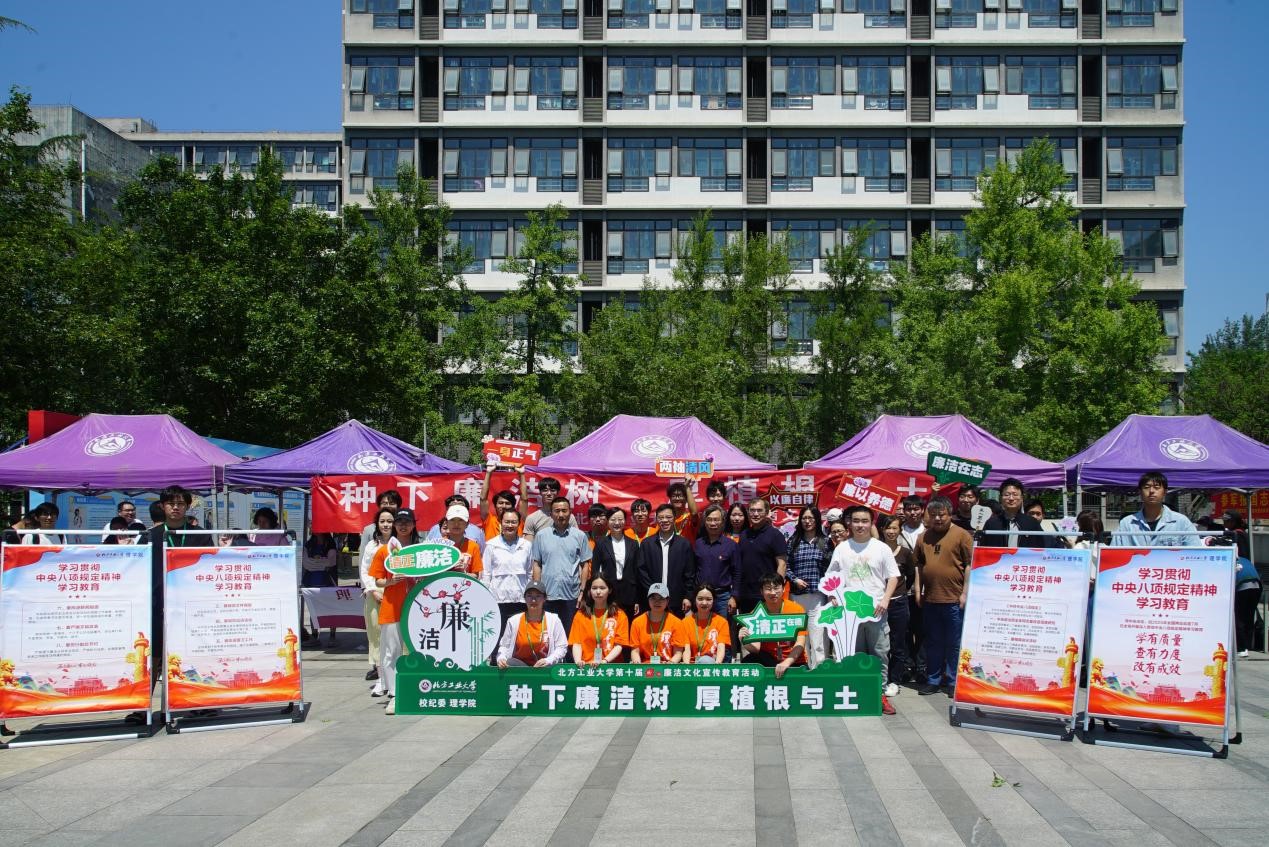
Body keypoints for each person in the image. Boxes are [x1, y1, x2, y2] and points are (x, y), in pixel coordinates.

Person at [824, 506, 899, 714]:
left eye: (864, 521)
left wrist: (885, 600)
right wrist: (832, 596)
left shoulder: (881, 548)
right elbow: (831, 576)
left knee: (879, 653)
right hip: (850, 613)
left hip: (876, 611)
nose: (860, 525)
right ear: (849, 523)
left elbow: (893, 576)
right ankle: (856, 693)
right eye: (856, 521)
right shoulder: (842, 548)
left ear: (871, 523)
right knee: (853, 655)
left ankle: (879, 694)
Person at [913, 496, 973, 696]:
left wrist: (965, 593)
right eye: (933, 515)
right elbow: (919, 565)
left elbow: (969, 565)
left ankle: (953, 681)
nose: (938, 518)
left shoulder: (962, 535)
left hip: (954, 599)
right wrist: (918, 590)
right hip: (931, 598)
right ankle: (933, 679)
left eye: (942, 515)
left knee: (954, 642)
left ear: (950, 514)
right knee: (933, 641)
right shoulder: (923, 537)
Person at [367, 508, 421, 714]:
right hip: (392, 606)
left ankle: (420, 689)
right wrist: (391, 581)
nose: (403, 526)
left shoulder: (421, 551)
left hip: (420, 607)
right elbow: (377, 580)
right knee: (391, 651)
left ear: (414, 525)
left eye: (407, 522)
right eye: (399, 522)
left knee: (419, 650)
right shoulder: (384, 551)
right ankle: (393, 693)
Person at [530, 496, 592, 634]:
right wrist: (538, 590)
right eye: (557, 511)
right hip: (547, 594)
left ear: (570, 512)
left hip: (572, 595)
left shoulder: (580, 536)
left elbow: (585, 565)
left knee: (570, 633)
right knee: (548, 633)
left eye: (564, 510)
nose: (561, 514)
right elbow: (537, 564)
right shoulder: (541, 536)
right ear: (551, 514)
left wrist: (582, 591)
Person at [737, 572, 805, 679]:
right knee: (748, 661)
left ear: (783, 589)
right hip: (769, 659)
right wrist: (744, 640)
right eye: (768, 589)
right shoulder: (756, 613)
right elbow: (756, 649)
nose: (773, 592)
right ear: (761, 591)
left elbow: (800, 643)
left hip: (794, 660)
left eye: (776, 588)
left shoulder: (796, 610)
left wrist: (786, 663)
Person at [733, 498, 788, 627]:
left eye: (759, 510)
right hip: (746, 595)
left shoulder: (775, 535)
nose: (755, 514)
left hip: (767, 594)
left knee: (768, 631)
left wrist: (775, 590)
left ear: (767, 512)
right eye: (752, 510)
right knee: (748, 632)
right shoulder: (744, 535)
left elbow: (782, 564)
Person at [1111, 472, 1201, 547]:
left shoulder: (1181, 522)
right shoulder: (1126, 524)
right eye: (1146, 487)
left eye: (1157, 487)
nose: (1151, 491)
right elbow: (1114, 554)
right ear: (1140, 492)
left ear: (1165, 492)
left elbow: (1195, 553)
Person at [877, 514, 915, 687]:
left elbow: (911, 576)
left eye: (895, 528)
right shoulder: (875, 550)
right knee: (880, 644)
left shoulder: (905, 553)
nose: (891, 531)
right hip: (878, 603)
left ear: (900, 530)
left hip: (899, 603)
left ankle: (895, 680)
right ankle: (880, 678)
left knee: (898, 642)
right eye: (888, 528)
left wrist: (901, 591)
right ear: (882, 529)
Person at [785, 506, 831, 649]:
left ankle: (820, 663)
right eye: (804, 518)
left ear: (817, 520)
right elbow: (785, 565)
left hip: (818, 596)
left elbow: (831, 568)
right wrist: (794, 579)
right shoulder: (793, 541)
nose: (807, 521)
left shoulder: (825, 542)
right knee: (800, 637)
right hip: (797, 596)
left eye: (811, 518)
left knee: (818, 636)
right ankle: (802, 662)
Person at [484, 508, 534, 639]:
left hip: (520, 599)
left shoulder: (526, 545)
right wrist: (486, 597)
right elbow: (486, 574)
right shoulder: (491, 545)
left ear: (519, 524)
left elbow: (530, 573)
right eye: (507, 522)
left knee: (518, 636)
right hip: (497, 599)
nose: (510, 525)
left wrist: (529, 595)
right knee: (498, 636)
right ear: (501, 523)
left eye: (513, 522)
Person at [638, 503, 696, 615]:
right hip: (652, 600)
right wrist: (654, 592)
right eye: (661, 517)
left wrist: (688, 596)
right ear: (656, 520)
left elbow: (690, 573)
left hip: (677, 601)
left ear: (674, 518)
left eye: (668, 517)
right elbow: (642, 571)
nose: (664, 520)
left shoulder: (684, 544)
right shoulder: (647, 544)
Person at [361, 508, 396, 688]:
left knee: (395, 636)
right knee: (376, 636)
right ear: (377, 524)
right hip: (374, 593)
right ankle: (381, 678)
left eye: (389, 521)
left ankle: (395, 678)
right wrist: (373, 590)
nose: (386, 525)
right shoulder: (371, 545)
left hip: (396, 594)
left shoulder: (399, 544)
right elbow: (365, 570)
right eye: (382, 521)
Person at [495, 581, 568, 667]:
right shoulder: (513, 621)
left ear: (544, 599)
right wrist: (501, 658)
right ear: (524, 598)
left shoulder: (554, 620)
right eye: (529, 596)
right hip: (521, 668)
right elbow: (504, 646)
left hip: (545, 667)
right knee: (510, 662)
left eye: (538, 596)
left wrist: (548, 660)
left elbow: (562, 647)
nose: (533, 600)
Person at [592, 506, 642, 620]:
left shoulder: (633, 544)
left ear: (625, 521)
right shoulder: (600, 544)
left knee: (627, 624)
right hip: (608, 593)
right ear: (607, 521)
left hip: (629, 593)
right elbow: (595, 571)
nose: (617, 523)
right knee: (609, 624)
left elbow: (637, 572)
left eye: (620, 519)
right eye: (613, 519)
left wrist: (637, 599)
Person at [692, 504, 740, 621]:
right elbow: (693, 570)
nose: (713, 523)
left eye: (716, 520)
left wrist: (734, 597)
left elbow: (737, 573)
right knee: (701, 627)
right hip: (702, 596)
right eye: (709, 520)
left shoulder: (731, 545)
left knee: (723, 627)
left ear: (723, 521)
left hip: (723, 597)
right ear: (705, 522)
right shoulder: (698, 544)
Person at [568, 574, 628, 665]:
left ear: (610, 590)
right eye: (594, 588)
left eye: (602, 588)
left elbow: (619, 645)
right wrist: (578, 661)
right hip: (587, 667)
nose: (598, 592)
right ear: (589, 590)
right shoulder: (580, 614)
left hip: (610, 667)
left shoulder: (619, 615)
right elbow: (576, 643)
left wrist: (604, 661)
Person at [983, 479, 1058, 548]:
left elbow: (1040, 548)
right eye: (1007, 495)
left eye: (1015, 495)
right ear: (1001, 498)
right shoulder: (991, 523)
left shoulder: (1031, 523)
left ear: (1022, 498)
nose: (1011, 498)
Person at [630, 583, 686, 663]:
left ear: (667, 601)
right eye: (653, 598)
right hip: (645, 667)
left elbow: (678, 653)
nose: (657, 602)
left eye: (661, 598)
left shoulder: (677, 623)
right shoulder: (637, 622)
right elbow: (635, 651)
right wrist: (637, 664)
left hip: (667, 666)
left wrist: (670, 664)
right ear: (648, 600)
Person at [300, 532, 338, 648]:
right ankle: (314, 635)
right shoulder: (308, 544)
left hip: (328, 581)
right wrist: (322, 562)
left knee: (331, 608)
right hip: (311, 581)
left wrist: (315, 562)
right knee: (313, 609)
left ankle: (332, 635)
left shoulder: (330, 544)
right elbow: (306, 564)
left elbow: (331, 562)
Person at [479, 461, 527, 540]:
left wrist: (522, 474)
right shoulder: (489, 520)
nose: (504, 506)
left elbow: (524, 500)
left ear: (513, 506)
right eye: (500, 503)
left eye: (507, 503)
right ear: (495, 505)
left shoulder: (518, 520)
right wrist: (488, 473)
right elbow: (483, 499)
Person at [683, 585, 729, 664]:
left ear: (714, 600)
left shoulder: (722, 622)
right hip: (692, 666)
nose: (704, 603)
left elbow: (721, 648)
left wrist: (716, 665)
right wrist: (687, 667)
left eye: (708, 599)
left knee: (705, 660)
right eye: (700, 599)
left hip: (712, 665)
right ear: (694, 600)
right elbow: (686, 650)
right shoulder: (685, 622)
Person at [440, 503, 483, 576]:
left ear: (467, 524)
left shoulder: (473, 546)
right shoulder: (439, 545)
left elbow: (476, 575)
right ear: (446, 523)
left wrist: (463, 573)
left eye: (461, 520)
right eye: (452, 520)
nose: (456, 524)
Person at [666, 480, 700, 545]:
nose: (677, 499)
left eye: (680, 496)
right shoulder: (666, 519)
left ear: (686, 499)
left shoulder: (689, 517)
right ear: (670, 499)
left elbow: (694, 513)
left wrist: (687, 487)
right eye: (674, 496)